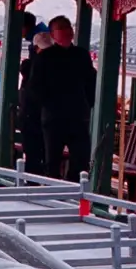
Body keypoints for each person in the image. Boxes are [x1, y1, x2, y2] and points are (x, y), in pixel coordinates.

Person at [25, 12, 96, 177]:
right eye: (62, 28)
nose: (67, 31)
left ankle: (73, 193)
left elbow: (91, 81)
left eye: (69, 27)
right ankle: (52, 195)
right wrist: (48, 104)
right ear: (53, 35)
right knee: (52, 160)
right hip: (54, 116)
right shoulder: (45, 57)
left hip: (78, 115)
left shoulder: (81, 55)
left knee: (80, 159)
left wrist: (87, 104)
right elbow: (34, 87)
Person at [18, 23, 50, 172]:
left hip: (32, 117)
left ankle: (33, 185)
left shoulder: (32, 65)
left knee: (33, 155)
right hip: (45, 118)